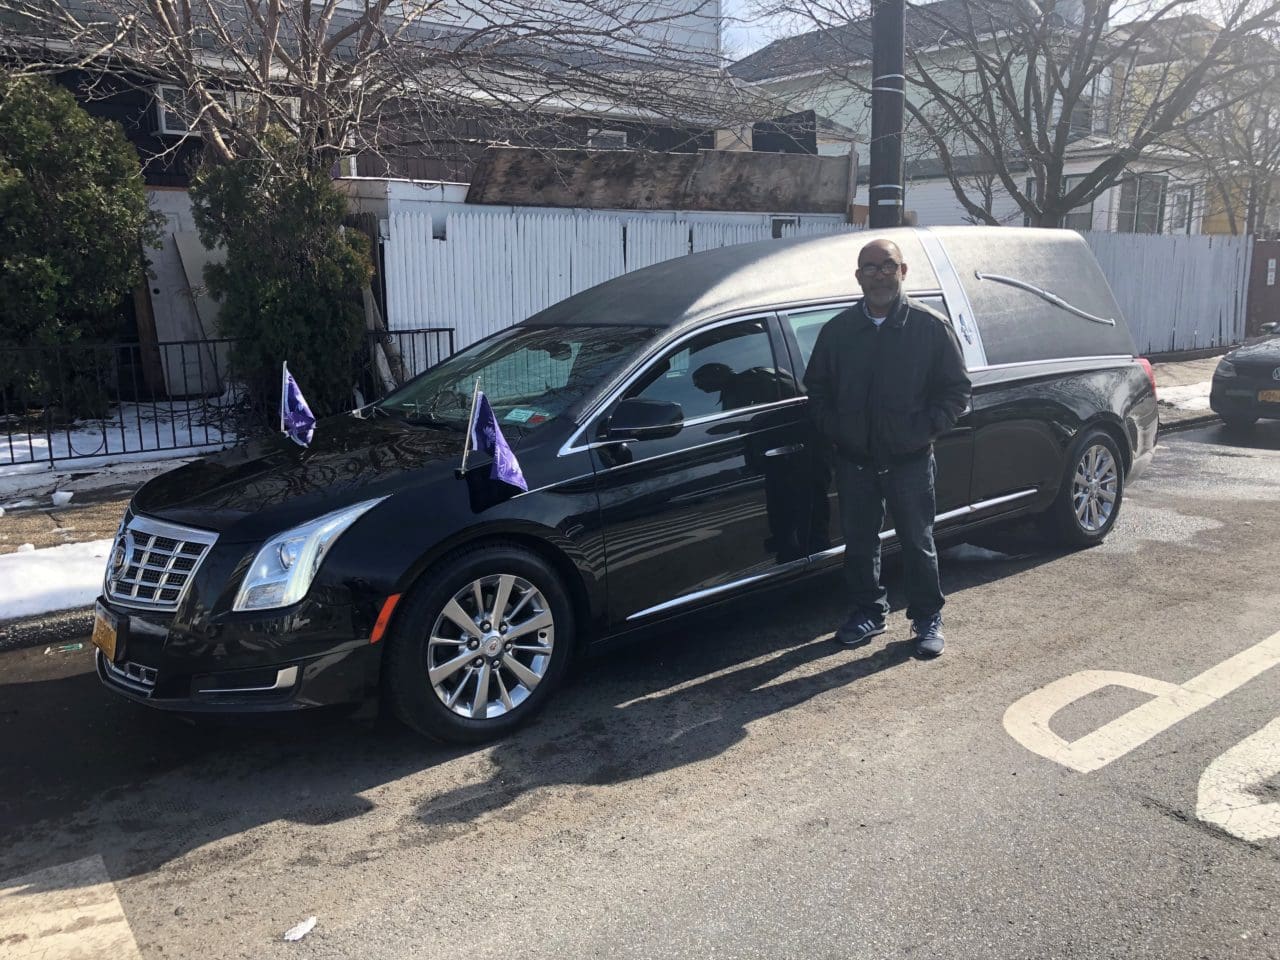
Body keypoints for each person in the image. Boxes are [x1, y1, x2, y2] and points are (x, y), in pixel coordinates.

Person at [803, 239, 971, 657]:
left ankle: (927, 618)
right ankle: (867, 613)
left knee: (918, 541)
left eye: (887, 265)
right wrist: (838, 431)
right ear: (858, 275)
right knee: (860, 542)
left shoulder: (929, 328)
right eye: (870, 267)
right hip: (855, 461)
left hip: (909, 460)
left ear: (903, 271)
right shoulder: (838, 331)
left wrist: (923, 432)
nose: (879, 274)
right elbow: (817, 391)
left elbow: (956, 391)